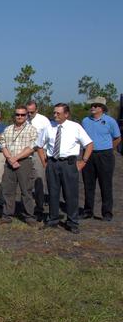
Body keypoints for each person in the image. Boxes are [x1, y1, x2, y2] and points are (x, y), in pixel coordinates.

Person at [37, 103, 93, 234]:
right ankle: (53, 220)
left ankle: (72, 222)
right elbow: (39, 145)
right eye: (54, 112)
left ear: (66, 114)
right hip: (52, 163)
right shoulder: (49, 127)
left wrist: (83, 161)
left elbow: (89, 144)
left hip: (69, 164)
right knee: (53, 193)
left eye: (58, 113)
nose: (55, 115)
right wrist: (44, 162)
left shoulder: (75, 127)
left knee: (71, 194)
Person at [80, 96, 121, 221]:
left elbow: (117, 138)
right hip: (88, 155)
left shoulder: (110, 121)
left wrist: (109, 148)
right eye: (92, 105)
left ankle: (107, 213)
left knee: (105, 184)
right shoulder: (85, 121)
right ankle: (88, 211)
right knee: (88, 184)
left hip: (105, 155)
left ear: (102, 108)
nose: (92, 107)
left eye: (96, 105)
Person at [0, 105, 39, 226]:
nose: (20, 116)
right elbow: (3, 144)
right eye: (17, 114)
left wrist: (16, 158)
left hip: (24, 162)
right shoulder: (8, 129)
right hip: (9, 162)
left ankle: (29, 216)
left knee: (26, 190)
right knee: (8, 190)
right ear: (14, 115)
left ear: (26, 116)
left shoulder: (31, 129)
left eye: (22, 114)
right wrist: (10, 159)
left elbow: (32, 147)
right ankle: (7, 215)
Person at [26, 100, 51, 219]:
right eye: (28, 112)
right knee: (26, 181)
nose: (29, 114)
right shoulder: (23, 119)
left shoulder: (44, 120)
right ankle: (28, 206)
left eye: (32, 112)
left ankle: (39, 207)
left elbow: (50, 137)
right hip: (25, 153)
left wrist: (46, 155)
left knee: (39, 180)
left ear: (37, 110)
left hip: (38, 152)